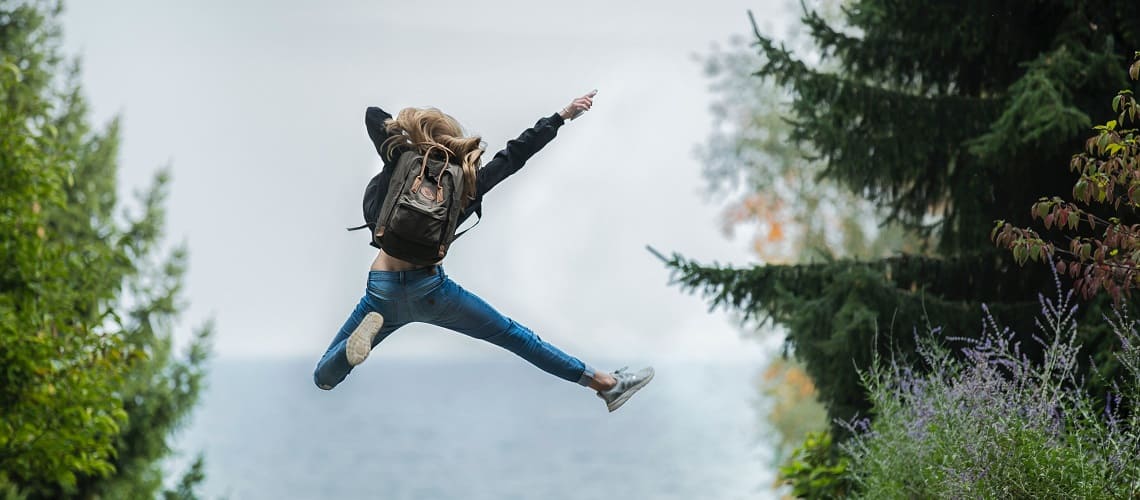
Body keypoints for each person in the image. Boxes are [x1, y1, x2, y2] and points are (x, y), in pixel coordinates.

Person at [312, 91, 654, 412]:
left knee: (324, 378)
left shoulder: (400, 161)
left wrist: (409, 135)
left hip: (382, 290)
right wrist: (561, 116)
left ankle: (350, 351)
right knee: (516, 337)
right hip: (432, 291)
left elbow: (374, 115)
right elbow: (515, 155)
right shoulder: (466, 182)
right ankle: (605, 384)